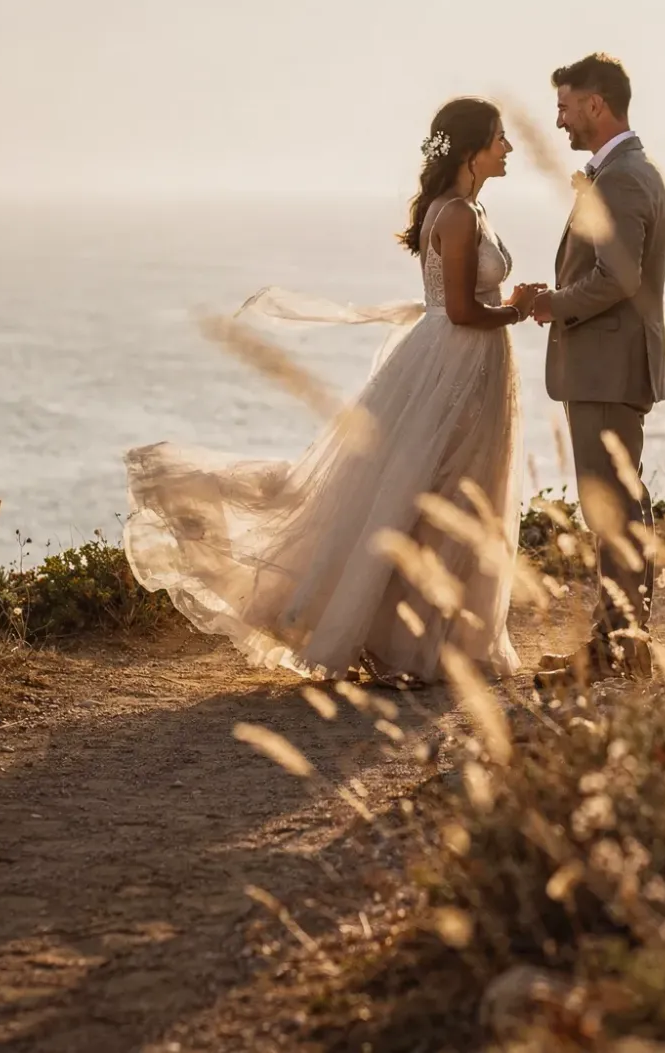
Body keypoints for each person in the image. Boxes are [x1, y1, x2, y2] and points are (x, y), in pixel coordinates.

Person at [122, 97, 529, 685]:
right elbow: (464, 310)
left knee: (450, 495)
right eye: (499, 138)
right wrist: (517, 308)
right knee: (440, 495)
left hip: (466, 365)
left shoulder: (468, 207)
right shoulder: (460, 215)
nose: (509, 147)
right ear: (471, 150)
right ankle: (413, 644)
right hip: (456, 366)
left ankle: (434, 638)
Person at [517, 53, 665, 682]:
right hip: (610, 367)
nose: (558, 121)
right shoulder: (630, 172)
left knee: (611, 510)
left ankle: (614, 652)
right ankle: (620, 644)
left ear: (596, 104)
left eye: (564, 106)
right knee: (619, 507)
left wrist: (552, 305)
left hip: (608, 369)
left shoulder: (623, 179)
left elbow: (619, 278)